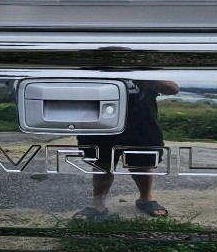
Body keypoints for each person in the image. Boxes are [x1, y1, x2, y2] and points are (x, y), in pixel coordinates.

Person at [74, 79, 179, 220]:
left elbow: (173, 89)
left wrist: (140, 75)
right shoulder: (99, 63)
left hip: (141, 120)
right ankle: (98, 205)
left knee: (142, 164)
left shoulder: (146, 65)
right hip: (102, 118)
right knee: (101, 163)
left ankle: (145, 199)